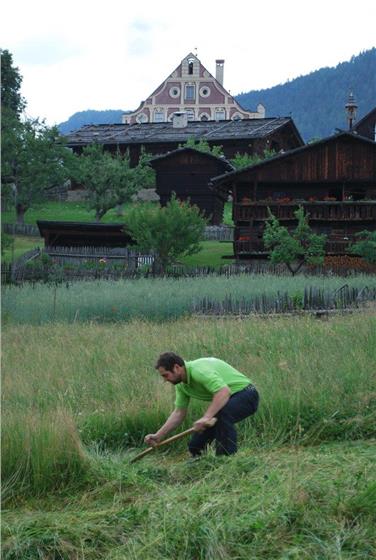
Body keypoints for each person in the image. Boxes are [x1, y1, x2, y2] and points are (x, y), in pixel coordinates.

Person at [144, 352, 259, 457]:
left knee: (221, 415)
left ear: (176, 367)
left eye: (165, 375)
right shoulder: (181, 385)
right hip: (229, 398)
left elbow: (223, 391)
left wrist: (207, 417)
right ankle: (197, 456)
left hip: (247, 394)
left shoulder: (198, 371)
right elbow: (179, 413)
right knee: (195, 446)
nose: (165, 380)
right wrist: (159, 435)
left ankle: (227, 459)